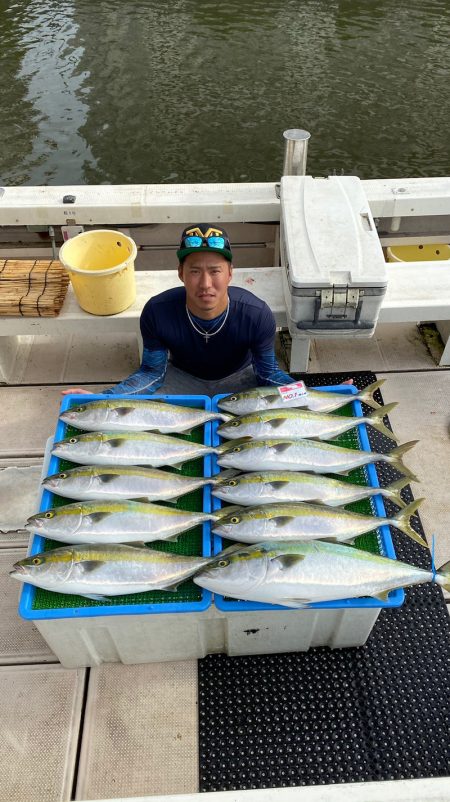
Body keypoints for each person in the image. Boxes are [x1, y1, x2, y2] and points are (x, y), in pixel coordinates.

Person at [64, 223, 296, 397]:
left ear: (230, 273)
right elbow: (152, 373)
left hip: (241, 379)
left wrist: (305, 395)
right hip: (181, 378)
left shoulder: (256, 314)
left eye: (215, 271)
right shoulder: (157, 312)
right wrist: (102, 399)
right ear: (180, 273)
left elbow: (267, 373)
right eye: (195, 271)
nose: (205, 284)